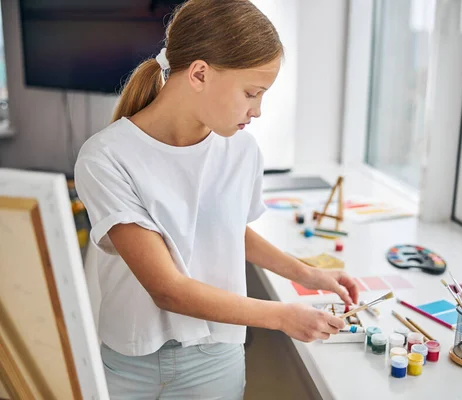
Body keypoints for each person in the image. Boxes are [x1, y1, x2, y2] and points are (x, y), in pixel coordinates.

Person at [74, 0, 358, 398]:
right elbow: (167, 289)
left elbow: (225, 230)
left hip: (215, 358)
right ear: (200, 73)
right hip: (129, 362)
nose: (257, 110)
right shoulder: (106, 157)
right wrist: (281, 317)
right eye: (251, 92)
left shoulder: (241, 152)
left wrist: (307, 274)